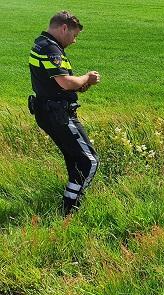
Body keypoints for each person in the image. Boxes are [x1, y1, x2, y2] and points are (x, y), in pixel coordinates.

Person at [28, 11, 101, 216]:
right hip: (58, 114)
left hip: (49, 110)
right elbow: (65, 82)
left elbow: (58, 84)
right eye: (74, 35)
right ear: (64, 28)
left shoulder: (41, 43)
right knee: (89, 161)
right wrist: (87, 77)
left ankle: (68, 209)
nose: (74, 41)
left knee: (76, 161)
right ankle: (70, 211)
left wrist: (80, 86)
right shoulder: (51, 48)